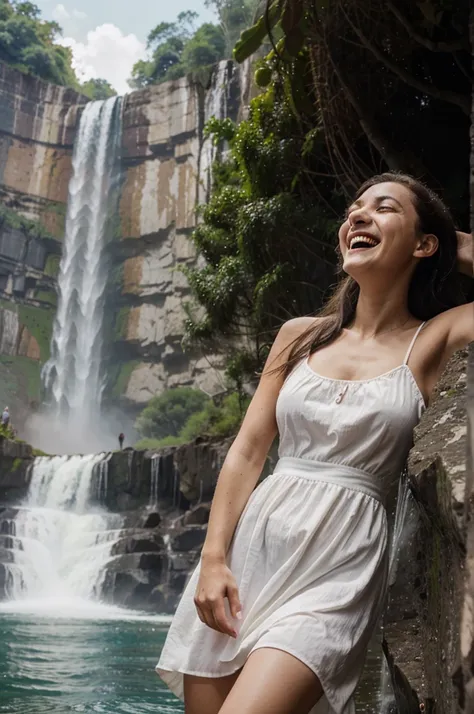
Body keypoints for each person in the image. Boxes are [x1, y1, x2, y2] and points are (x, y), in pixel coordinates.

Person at [156, 173, 474, 714]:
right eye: (353, 209)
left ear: (424, 244)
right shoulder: (299, 335)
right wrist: (212, 560)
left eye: (384, 208)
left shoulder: (434, 340)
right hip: (247, 558)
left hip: (340, 567)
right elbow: (249, 451)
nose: (358, 215)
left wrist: (461, 248)